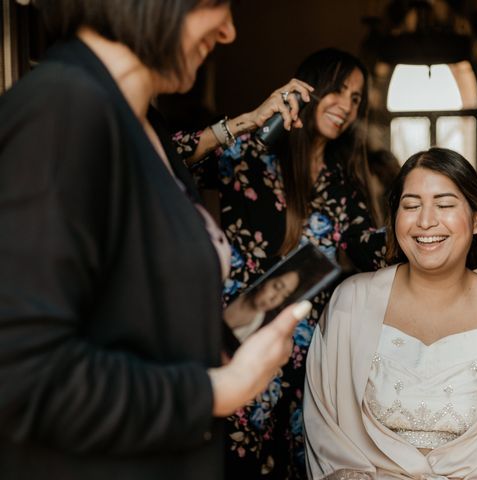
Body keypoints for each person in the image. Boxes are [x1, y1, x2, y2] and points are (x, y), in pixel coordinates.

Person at [0, 1, 312, 479]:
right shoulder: (60, 109)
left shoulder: (144, 124)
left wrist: (225, 341)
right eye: (215, 4)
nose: (229, 31)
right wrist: (221, 388)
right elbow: (25, 376)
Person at [174, 48, 387, 478]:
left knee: (295, 467)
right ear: (308, 88)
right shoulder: (251, 153)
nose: (346, 105)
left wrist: (426, 223)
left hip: (306, 358)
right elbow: (170, 162)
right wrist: (246, 120)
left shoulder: (342, 182)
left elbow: (369, 248)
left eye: (357, 98)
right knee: (233, 465)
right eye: (338, 90)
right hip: (239, 344)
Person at [304, 148, 477, 479]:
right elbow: (324, 431)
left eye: (445, 205)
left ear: (476, 218)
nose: (425, 221)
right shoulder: (350, 305)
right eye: (411, 205)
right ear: (395, 218)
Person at [226, 268, 301, 342]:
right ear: (265, 279)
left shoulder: (262, 329)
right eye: (277, 286)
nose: (275, 299)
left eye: (284, 296)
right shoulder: (231, 289)